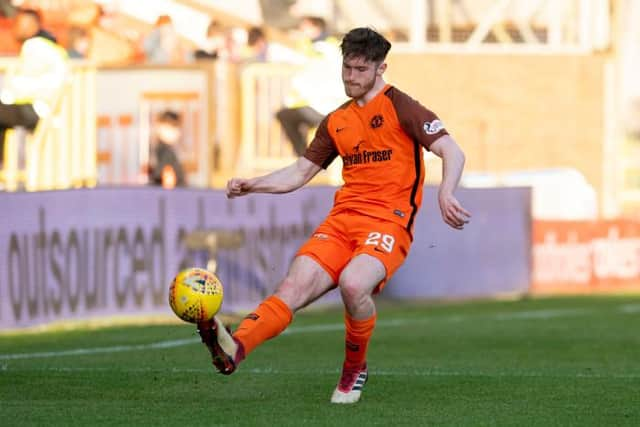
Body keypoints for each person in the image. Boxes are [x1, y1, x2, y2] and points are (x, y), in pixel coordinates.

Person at [197, 27, 471, 404]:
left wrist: (446, 190)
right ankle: (234, 349)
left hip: (388, 222)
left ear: (381, 68)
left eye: (360, 69)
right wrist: (252, 184)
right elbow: (300, 173)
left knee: (354, 284)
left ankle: (353, 369)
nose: (350, 77)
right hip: (342, 222)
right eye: (346, 68)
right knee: (291, 289)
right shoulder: (335, 121)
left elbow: (452, 151)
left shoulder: (402, 107)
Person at [0, 8, 67, 167]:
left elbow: (22, 86)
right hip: (51, 108)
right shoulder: (50, 46)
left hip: (38, 108)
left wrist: (7, 95)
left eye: (21, 24)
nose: (16, 28)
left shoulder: (34, 46)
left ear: (33, 25)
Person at [275, 16, 344, 156]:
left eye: (304, 28)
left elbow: (309, 65)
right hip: (316, 105)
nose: (301, 31)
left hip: (326, 106)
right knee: (286, 115)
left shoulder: (326, 47)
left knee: (286, 116)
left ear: (315, 28)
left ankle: (305, 159)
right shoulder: (311, 46)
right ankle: (305, 159)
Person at [148, 110, 186, 188]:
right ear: (160, 127)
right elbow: (163, 178)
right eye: (171, 126)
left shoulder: (164, 150)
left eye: (176, 127)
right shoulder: (164, 151)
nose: (176, 131)